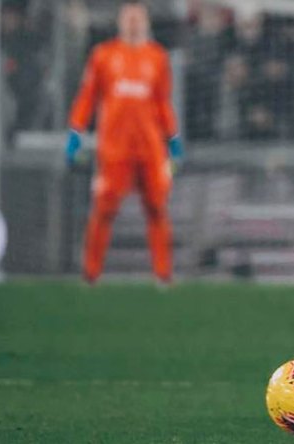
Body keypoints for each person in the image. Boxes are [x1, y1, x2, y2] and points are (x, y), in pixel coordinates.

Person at [66, 1, 183, 285]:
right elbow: (87, 96)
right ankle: (90, 275)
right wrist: (75, 132)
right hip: (114, 150)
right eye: (129, 18)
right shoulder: (103, 55)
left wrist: (173, 139)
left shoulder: (157, 57)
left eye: (138, 18)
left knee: (157, 208)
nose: (133, 23)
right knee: (103, 210)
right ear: (120, 21)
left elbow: (163, 103)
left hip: (150, 149)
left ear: (146, 22)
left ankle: (163, 276)